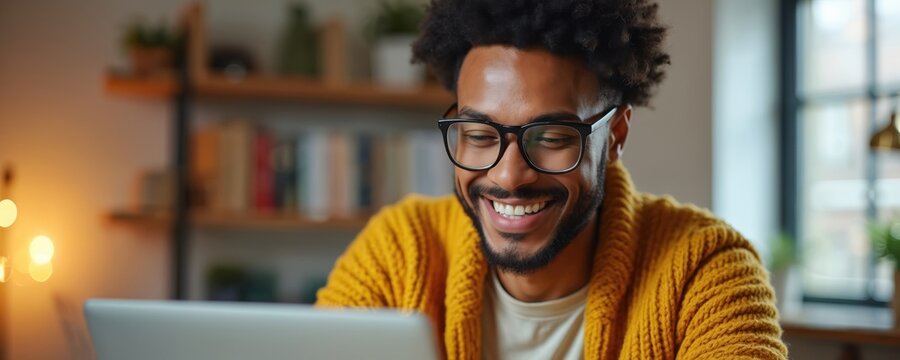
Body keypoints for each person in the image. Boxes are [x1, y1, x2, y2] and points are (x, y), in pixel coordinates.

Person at [317, 0, 787, 359]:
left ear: (616, 135)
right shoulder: (399, 252)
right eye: (479, 134)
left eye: (551, 136)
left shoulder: (704, 271)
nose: (508, 175)